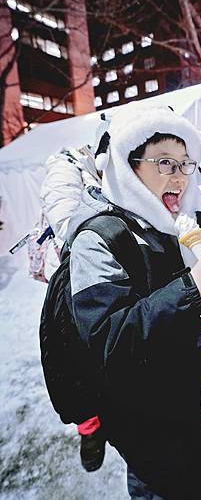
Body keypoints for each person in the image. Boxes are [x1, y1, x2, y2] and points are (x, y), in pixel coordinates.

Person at [67, 106, 201, 500]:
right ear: (128, 165)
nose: (180, 175)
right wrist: (189, 288)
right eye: (165, 163)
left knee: (195, 471)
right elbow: (108, 340)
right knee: (158, 494)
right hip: (136, 411)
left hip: (180, 396)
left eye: (186, 164)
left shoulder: (167, 226)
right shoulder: (99, 237)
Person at [40, 115, 109, 472]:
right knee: (73, 361)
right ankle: (89, 429)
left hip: (106, 271)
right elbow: (67, 220)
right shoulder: (67, 165)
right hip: (71, 281)